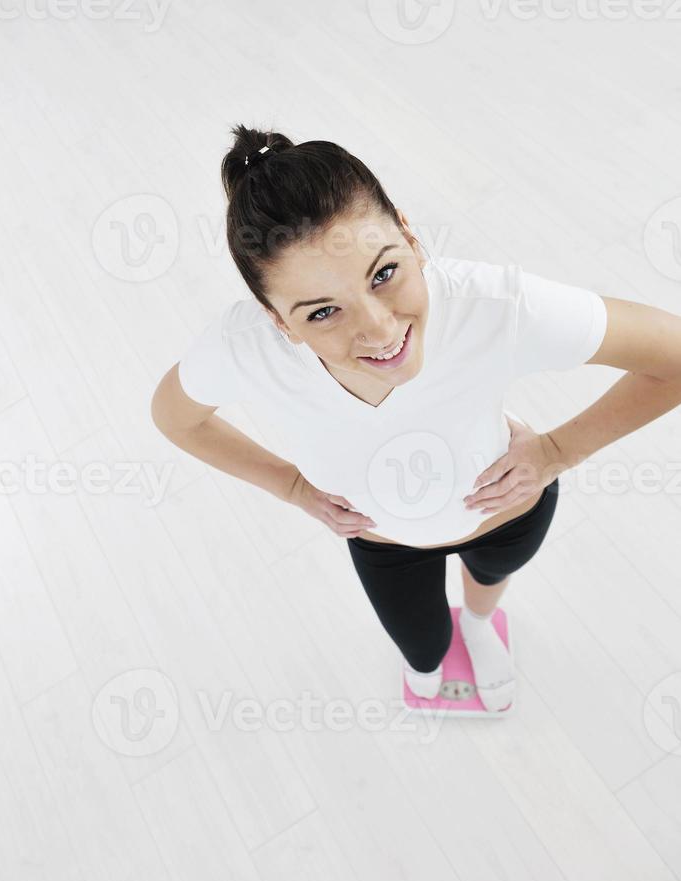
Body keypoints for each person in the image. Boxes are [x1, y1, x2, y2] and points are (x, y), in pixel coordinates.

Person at [151, 124, 608, 711]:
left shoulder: (492, 302)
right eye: (321, 312)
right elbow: (175, 417)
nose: (381, 331)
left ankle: (477, 625)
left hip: (507, 514)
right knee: (421, 648)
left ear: (410, 237)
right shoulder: (244, 348)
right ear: (278, 320)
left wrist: (555, 452)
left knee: (486, 589)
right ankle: (431, 661)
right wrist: (292, 486)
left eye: (384, 273)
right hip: (385, 544)